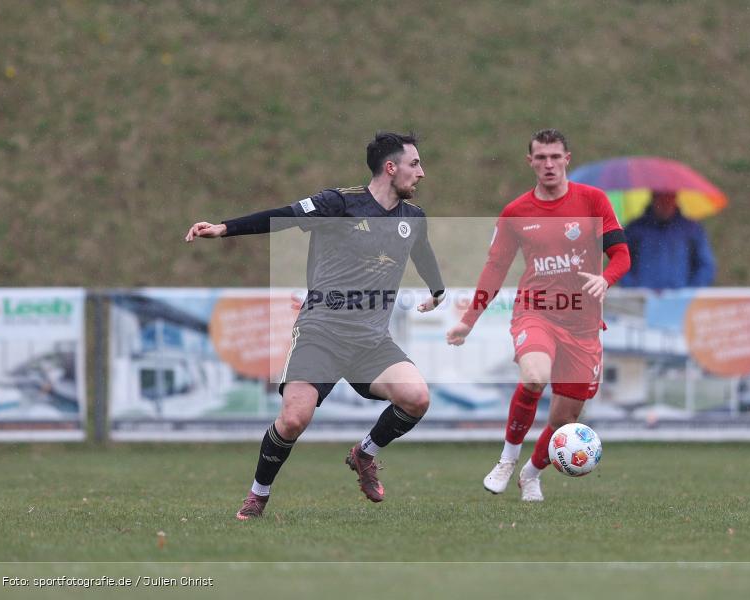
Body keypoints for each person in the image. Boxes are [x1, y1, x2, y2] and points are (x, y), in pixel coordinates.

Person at [185, 132, 446, 519]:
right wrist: (225, 228)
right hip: (321, 334)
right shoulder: (338, 204)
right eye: (415, 164)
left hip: (371, 342)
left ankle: (364, 454)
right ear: (390, 168)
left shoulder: (413, 218)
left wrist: (437, 290)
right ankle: (258, 494)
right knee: (293, 419)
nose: (421, 173)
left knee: (417, 398)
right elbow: (283, 217)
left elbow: (421, 252)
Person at [445, 129, 630, 502]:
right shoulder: (516, 212)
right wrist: (469, 320)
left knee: (564, 422)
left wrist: (606, 279)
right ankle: (506, 460)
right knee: (534, 377)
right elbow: (494, 268)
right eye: (541, 157)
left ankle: (530, 474)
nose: (548, 164)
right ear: (530, 161)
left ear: (567, 159)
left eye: (555, 157)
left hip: (584, 324)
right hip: (536, 313)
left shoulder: (593, 201)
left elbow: (622, 255)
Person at [620, 190, 716, 289]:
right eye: (660, 199)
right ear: (653, 198)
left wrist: (690, 292)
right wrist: (633, 289)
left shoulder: (691, 229)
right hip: (643, 300)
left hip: (679, 300)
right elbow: (621, 262)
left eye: (668, 199)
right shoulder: (635, 229)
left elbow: (705, 266)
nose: (664, 204)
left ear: (675, 198)